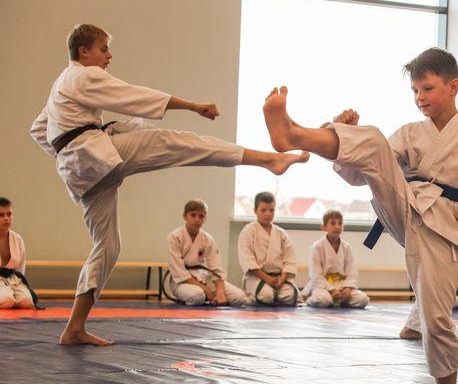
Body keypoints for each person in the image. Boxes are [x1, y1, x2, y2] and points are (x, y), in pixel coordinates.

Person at [261, 48, 458, 384]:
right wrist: (347, 136)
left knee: (435, 319)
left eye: (427, 88)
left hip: (446, 227)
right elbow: (361, 174)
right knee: (371, 140)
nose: (420, 97)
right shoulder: (410, 133)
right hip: (405, 206)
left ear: (453, 86)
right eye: (415, 90)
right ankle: (294, 134)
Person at [29, 23, 308, 346]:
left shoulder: (61, 85)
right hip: (91, 154)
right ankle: (267, 160)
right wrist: (192, 105)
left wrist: (68, 156)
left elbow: (38, 130)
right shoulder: (83, 75)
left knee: (108, 246)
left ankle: (75, 328)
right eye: (103, 49)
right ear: (83, 51)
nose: (109, 55)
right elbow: (134, 96)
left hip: (82, 169)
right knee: (177, 143)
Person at [165, 199, 247, 306]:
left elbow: (216, 268)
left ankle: (211, 297)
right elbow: (179, 273)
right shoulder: (174, 237)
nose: (197, 219)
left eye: (201, 216)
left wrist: (220, 292)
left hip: (203, 277)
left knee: (240, 297)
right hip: (181, 282)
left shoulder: (208, 239)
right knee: (198, 295)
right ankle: (202, 298)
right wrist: (207, 290)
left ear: (205, 219)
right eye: (193, 215)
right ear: (184, 216)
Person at [238, 191, 298, 306]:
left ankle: (277, 296)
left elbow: (289, 259)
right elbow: (248, 260)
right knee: (266, 296)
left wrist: (282, 279)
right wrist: (267, 278)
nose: (268, 214)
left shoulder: (281, 233)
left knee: (290, 296)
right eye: (263, 210)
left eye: (271, 210)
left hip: (278, 278)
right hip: (256, 278)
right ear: (255, 210)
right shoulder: (248, 231)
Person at [302, 209, 369, 309]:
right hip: (323, 286)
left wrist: (348, 288)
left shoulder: (346, 247)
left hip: (342, 285)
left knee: (362, 300)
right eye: (333, 223)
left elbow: (352, 272)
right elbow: (315, 274)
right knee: (323, 300)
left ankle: (340, 301)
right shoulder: (317, 247)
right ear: (324, 227)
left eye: (340, 223)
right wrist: (332, 289)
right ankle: (309, 298)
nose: (337, 226)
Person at [0, 197, 36, 309]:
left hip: (13, 279)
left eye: (9, 214)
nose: (6, 218)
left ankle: (11, 296)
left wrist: (20, 284)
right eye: (1, 215)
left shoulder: (17, 239)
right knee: (7, 300)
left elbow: (21, 268)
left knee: (27, 302)